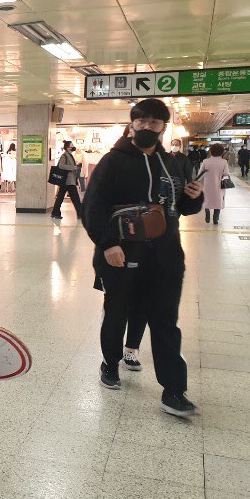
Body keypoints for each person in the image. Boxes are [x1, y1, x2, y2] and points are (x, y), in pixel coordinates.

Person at [83, 98, 204, 418]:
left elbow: (180, 208)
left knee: (165, 321)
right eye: (142, 121)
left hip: (166, 256)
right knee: (117, 311)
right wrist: (107, 244)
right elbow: (92, 206)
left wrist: (195, 198)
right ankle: (110, 363)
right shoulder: (113, 161)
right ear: (132, 124)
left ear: (163, 127)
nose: (148, 127)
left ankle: (174, 390)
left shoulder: (172, 164)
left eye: (155, 122)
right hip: (122, 253)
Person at [51, 140, 82, 219]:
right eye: (72, 146)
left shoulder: (69, 155)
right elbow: (61, 166)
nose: (73, 147)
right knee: (75, 198)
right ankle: (80, 214)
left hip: (67, 180)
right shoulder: (64, 155)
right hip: (68, 180)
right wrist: (73, 167)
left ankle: (55, 213)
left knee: (61, 197)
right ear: (68, 148)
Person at [201, 144, 231, 225]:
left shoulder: (205, 161)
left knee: (207, 199)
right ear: (222, 152)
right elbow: (226, 173)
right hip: (219, 186)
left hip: (207, 185)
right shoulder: (224, 162)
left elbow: (200, 174)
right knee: (218, 200)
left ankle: (207, 213)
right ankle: (216, 219)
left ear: (211, 151)